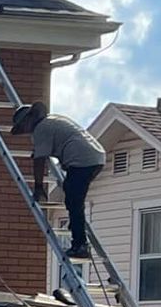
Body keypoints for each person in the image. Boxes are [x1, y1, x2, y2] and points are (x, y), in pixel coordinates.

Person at [12, 102, 106, 258]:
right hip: (94, 157)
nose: (26, 131)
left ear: (30, 119)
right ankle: (77, 233)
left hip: (82, 160)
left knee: (74, 202)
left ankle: (80, 245)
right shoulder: (53, 121)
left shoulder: (41, 128)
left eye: (24, 126)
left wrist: (38, 186)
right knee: (72, 196)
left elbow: (39, 161)